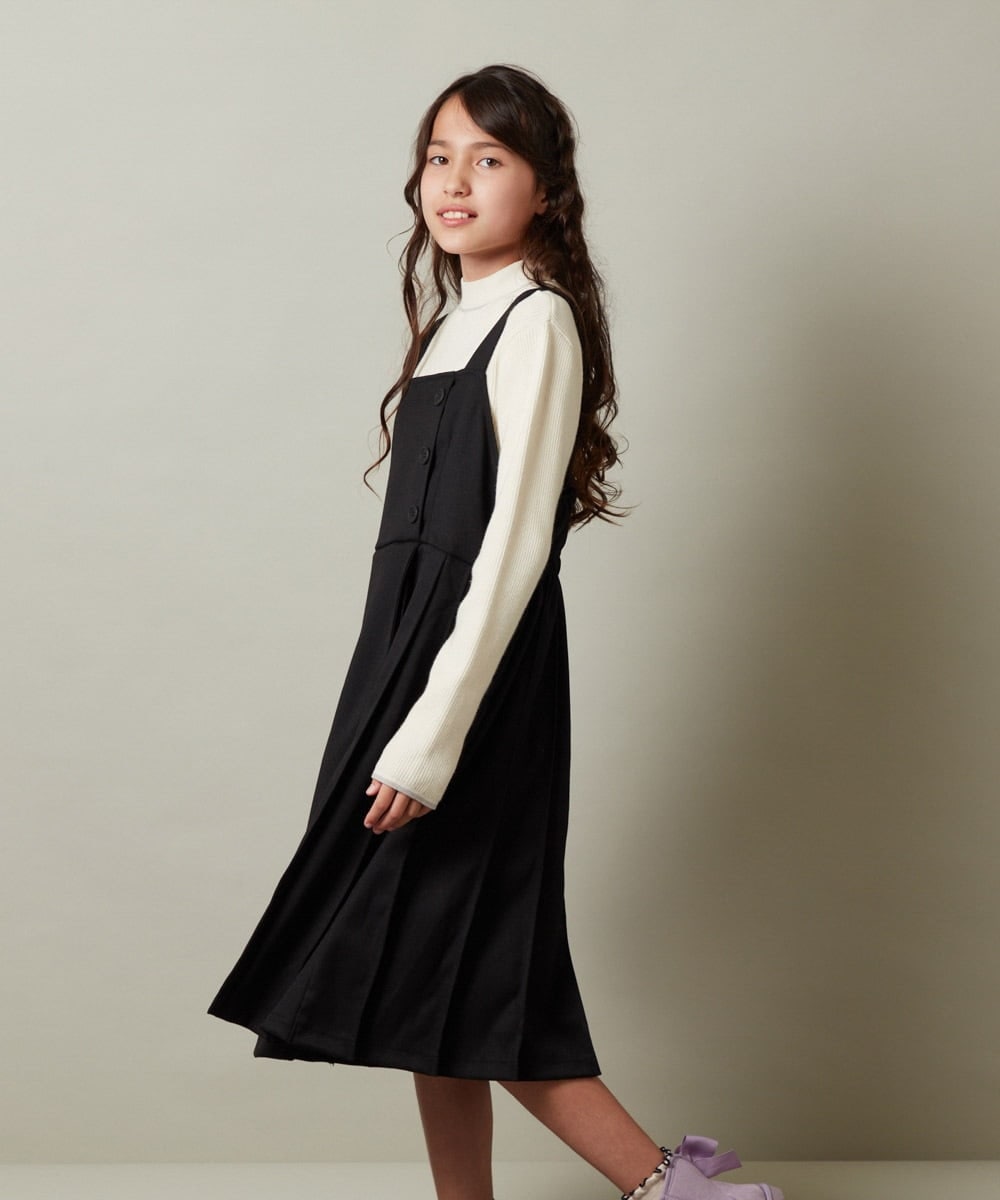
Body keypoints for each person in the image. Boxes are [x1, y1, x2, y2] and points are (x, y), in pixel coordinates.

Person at [207, 64, 784, 1200]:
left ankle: (670, 1189)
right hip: (406, 657)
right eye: (439, 157)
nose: (455, 181)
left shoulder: (536, 320)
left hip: (473, 678)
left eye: (489, 158)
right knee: (438, 969)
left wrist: (431, 737)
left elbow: (514, 551)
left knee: (456, 952)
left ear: (545, 190)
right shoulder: (453, 321)